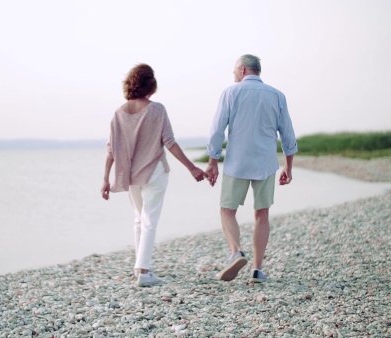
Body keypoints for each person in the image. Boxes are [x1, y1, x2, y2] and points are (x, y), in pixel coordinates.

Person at [101, 63, 207, 287]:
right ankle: (144, 271)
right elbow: (169, 142)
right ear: (151, 84)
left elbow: (110, 149)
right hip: (153, 172)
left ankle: (139, 268)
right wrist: (192, 168)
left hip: (131, 175)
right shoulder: (157, 109)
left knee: (139, 220)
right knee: (149, 221)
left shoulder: (118, 113)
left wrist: (105, 179)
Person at [205, 54, 298, 283]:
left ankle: (236, 251)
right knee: (262, 214)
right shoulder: (277, 95)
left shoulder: (230, 93)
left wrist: (212, 162)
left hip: (237, 162)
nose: (234, 76)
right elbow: (288, 134)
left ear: (243, 69)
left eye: (235, 72)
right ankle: (257, 270)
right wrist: (288, 166)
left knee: (227, 210)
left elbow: (217, 130)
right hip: (265, 164)